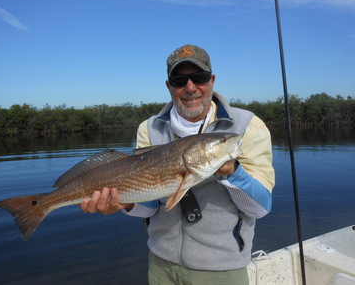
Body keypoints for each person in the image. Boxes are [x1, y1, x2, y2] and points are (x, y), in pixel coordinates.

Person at [80, 44, 275, 285]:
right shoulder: (149, 129)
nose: (190, 88)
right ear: (169, 85)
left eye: (200, 78)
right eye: (180, 80)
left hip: (221, 270)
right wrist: (125, 203)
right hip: (162, 265)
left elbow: (260, 209)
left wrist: (231, 173)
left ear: (212, 80)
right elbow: (150, 206)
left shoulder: (246, 127)